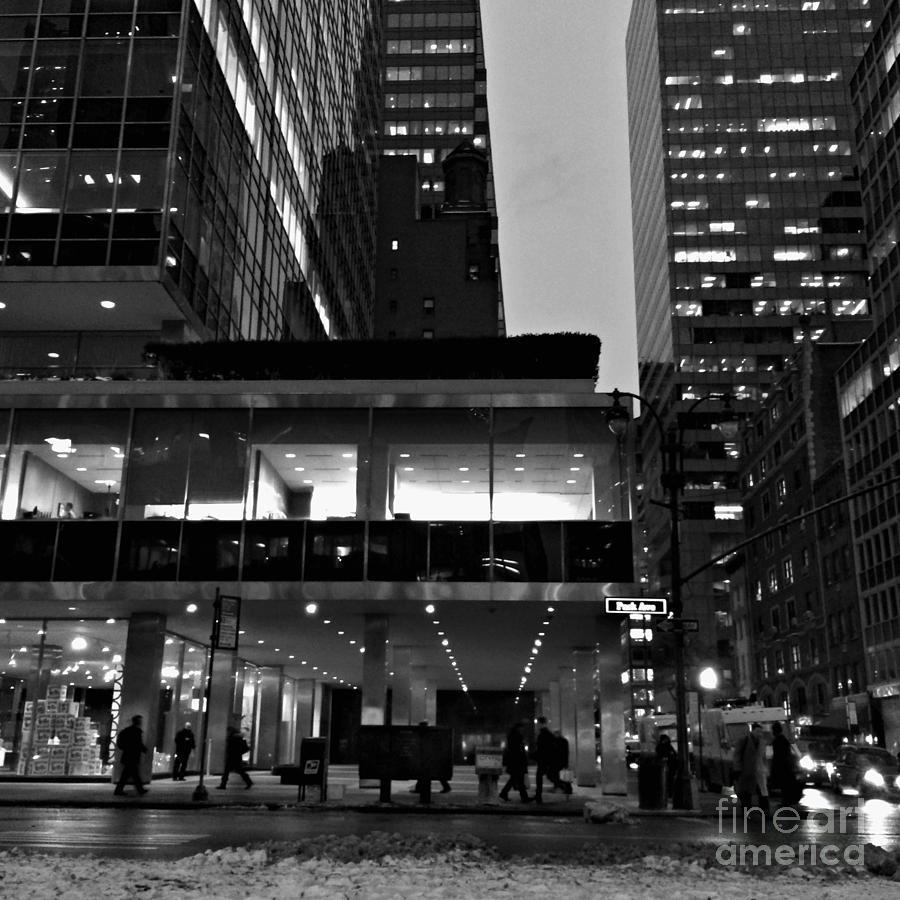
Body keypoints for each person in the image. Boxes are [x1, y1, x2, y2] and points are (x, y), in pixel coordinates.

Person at [733, 723, 769, 815]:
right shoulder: (744, 740)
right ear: (752, 731)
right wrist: (737, 768)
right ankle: (747, 810)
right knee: (746, 792)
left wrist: (766, 769)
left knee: (762, 791)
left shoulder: (762, 742)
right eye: (757, 731)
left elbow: (763, 757)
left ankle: (764, 811)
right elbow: (737, 755)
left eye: (761, 732)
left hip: (759, 770)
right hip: (747, 770)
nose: (759, 734)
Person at [534, 717, 571, 802]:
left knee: (542, 776)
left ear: (540, 723)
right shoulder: (549, 735)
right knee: (547, 776)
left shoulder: (543, 734)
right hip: (547, 760)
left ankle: (539, 795)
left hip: (544, 760)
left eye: (538, 723)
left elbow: (542, 749)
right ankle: (538, 795)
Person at [114, 714, 148, 796]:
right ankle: (139, 789)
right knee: (131, 774)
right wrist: (144, 749)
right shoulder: (136, 731)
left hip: (127, 755)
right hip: (133, 755)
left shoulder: (127, 731)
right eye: (140, 721)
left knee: (129, 774)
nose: (141, 722)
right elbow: (138, 743)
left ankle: (139, 789)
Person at [769, 722, 801, 806]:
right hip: (786, 767)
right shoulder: (783, 740)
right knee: (785, 785)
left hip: (782, 767)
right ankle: (786, 801)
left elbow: (778, 756)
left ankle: (786, 802)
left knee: (784, 785)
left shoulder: (777, 741)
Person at [499, 720, 531, 803]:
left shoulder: (512, 736)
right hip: (518, 762)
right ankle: (524, 797)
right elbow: (519, 751)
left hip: (514, 762)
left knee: (515, 779)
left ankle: (504, 793)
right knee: (518, 780)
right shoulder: (517, 736)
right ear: (519, 728)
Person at [655, 733, 678, 802]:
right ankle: (669, 793)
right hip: (669, 766)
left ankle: (667, 793)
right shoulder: (668, 746)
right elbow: (673, 755)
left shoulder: (661, 746)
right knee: (669, 781)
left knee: (666, 781)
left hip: (666, 766)